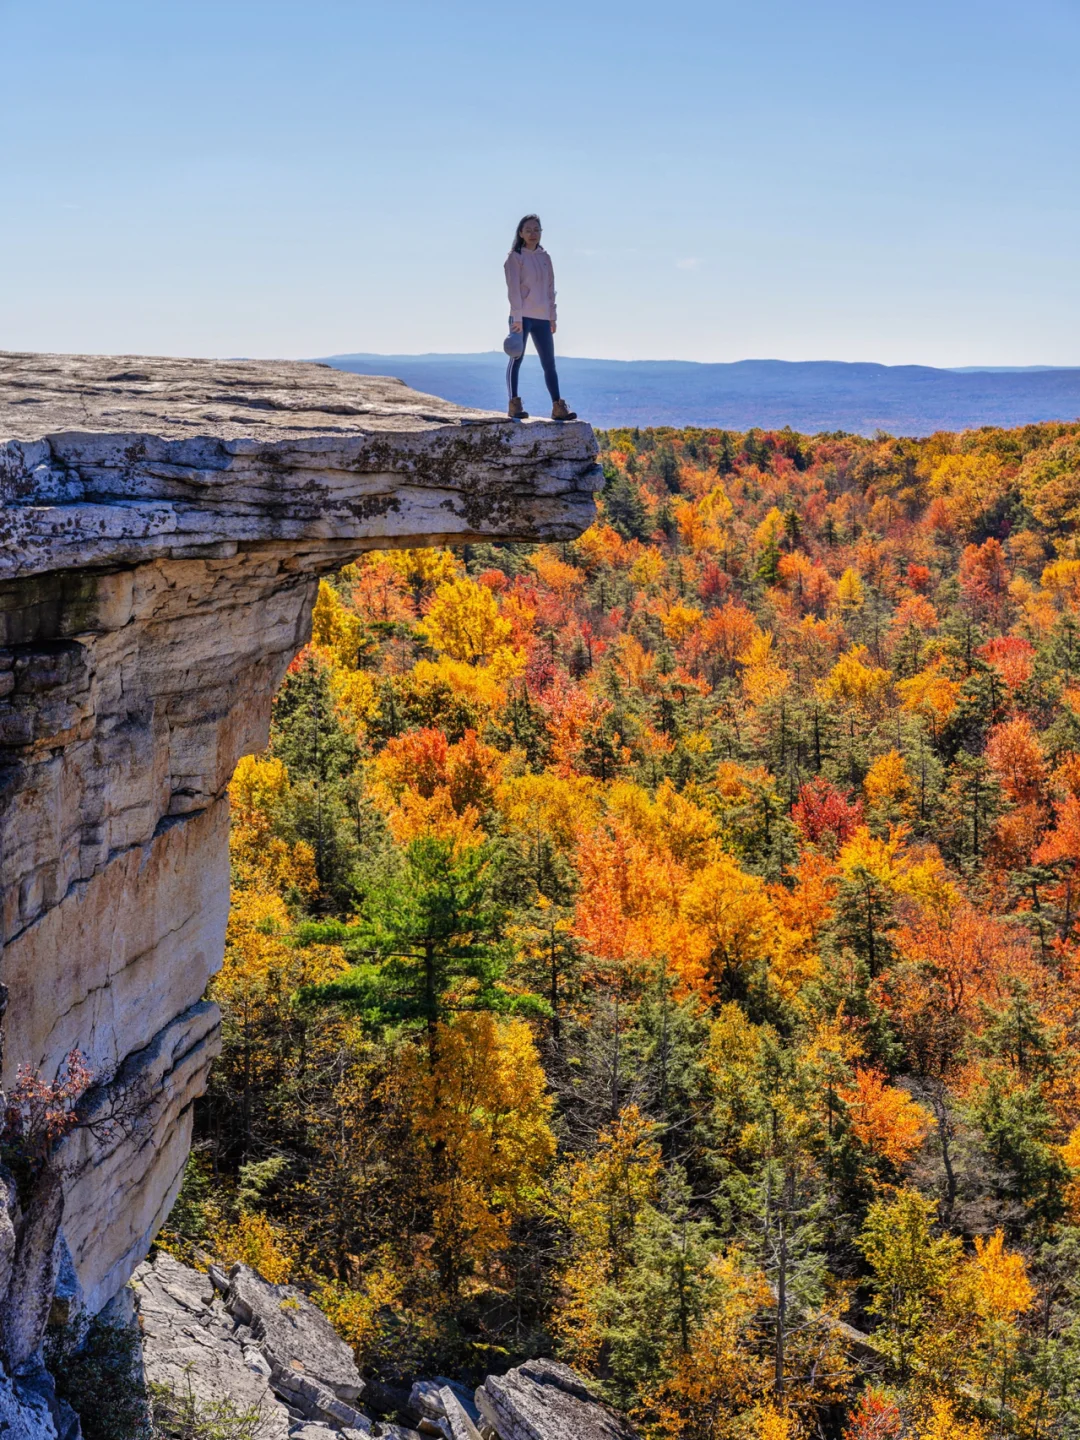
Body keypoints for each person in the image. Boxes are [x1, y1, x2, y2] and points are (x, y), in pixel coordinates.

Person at [504, 215, 576, 421]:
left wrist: (552, 316)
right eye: (528, 230)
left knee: (549, 363)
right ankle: (514, 403)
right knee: (516, 358)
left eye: (536, 230)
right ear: (521, 233)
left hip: (543, 317)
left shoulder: (545, 258)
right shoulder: (514, 258)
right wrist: (517, 317)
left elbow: (550, 288)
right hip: (521, 317)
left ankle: (558, 406)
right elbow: (513, 290)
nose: (533, 234)